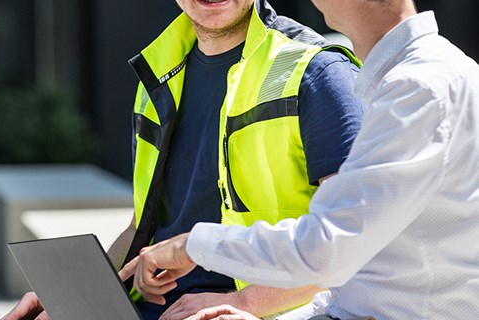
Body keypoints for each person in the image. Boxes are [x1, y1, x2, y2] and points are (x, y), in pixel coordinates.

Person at [1, 0, 365, 319]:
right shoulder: (158, 74)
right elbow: (139, 226)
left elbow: (357, 238)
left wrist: (245, 302)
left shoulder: (317, 73)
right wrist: (69, 301)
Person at [118, 0, 479, 319]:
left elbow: (330, 250)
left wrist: (203, 254)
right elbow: (351, 286)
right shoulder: (158, 70)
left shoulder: (412, 87)